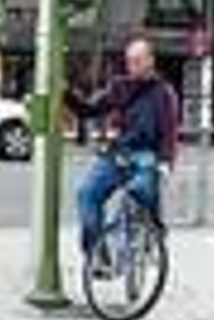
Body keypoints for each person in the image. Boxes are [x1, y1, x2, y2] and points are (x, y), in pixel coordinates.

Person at [66, 38, 180, 271]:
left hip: (146, 155)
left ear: (150, 61)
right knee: (86, 194)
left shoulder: (164, 93)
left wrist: (166, 161)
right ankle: (97, 256)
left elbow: (169, 132)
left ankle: (149, 233)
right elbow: (90, 109)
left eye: (138, 61)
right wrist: (66, 94)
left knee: (139, 190)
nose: (133, 66)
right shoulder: (119, 87)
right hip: (117, 153)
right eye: (130, 62)